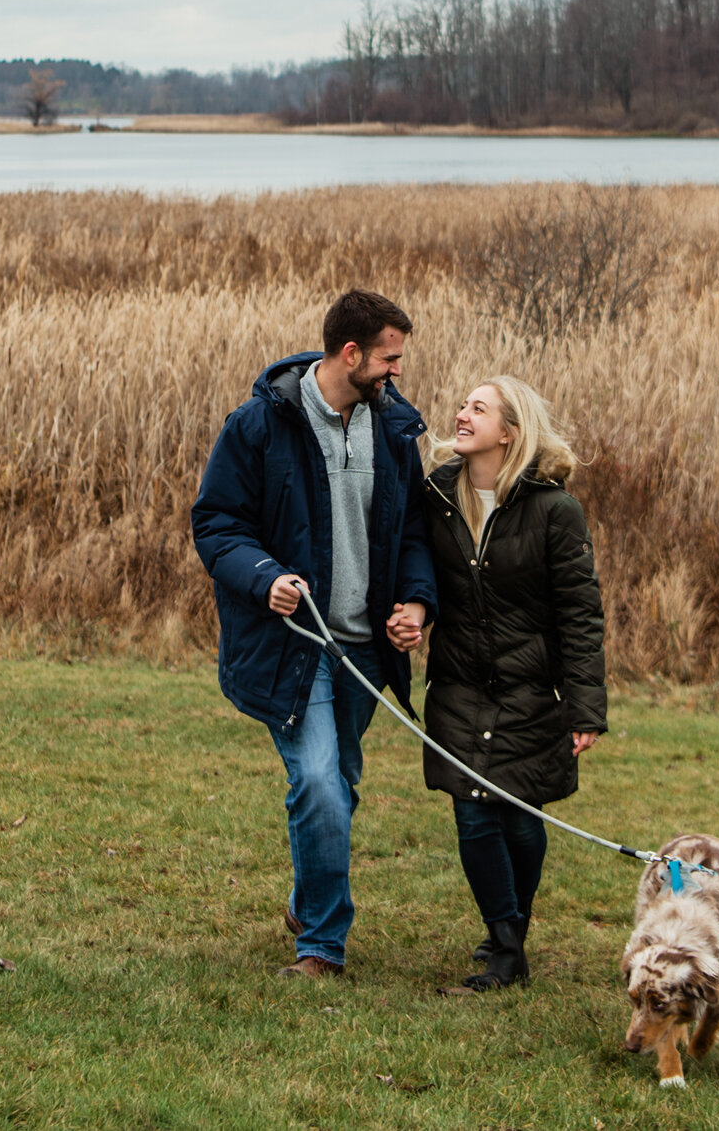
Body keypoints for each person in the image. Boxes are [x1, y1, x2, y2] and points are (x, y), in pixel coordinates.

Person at [190, 289, 436, 978]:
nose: (396, 371)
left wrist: (415, 602)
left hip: (365, 647)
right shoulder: (259, 425)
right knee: (322, 783)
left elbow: (412, 531)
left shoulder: (392, 430)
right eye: (388, 358)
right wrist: (262, 573)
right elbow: (215, 523)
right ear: (350, 352)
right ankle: (323, 944)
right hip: (295, 645)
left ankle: (307, 900)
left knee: (339, 783)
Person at [418, 374, 607, 991]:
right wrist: (410, 608)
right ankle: (505, 948)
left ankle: (512, 931)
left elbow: (580, 614)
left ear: (510, 432)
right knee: (473, 813)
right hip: (458, 686)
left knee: (522, 819)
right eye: (463, 405)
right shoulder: (436, 497)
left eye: (480, 408)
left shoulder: (555, 510)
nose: (462, 414)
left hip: (529, 690)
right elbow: (411, 568)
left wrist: (585, 709)